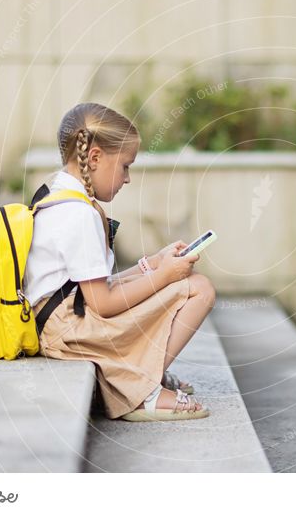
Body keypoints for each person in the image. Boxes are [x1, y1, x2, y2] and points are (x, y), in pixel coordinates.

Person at [23, 102, 214, 421]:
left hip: (60, 325)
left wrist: (151, 265)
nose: (127, 178)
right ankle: (141, 391)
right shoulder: (79, 214)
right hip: (70, 333)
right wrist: (165, 276)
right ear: (95, 157)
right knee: (198, 289)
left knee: (185, 283)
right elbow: (103, 304)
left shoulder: (58, 199)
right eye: (125, 166)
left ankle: (142, 374)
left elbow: (86, 289)